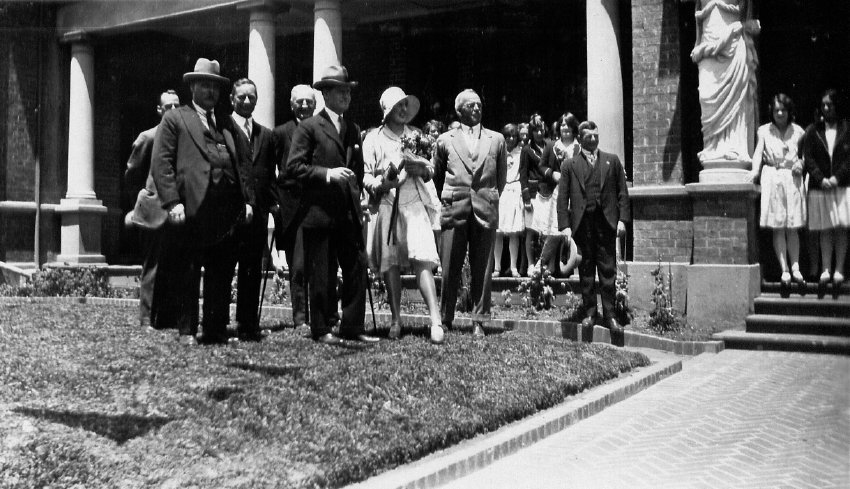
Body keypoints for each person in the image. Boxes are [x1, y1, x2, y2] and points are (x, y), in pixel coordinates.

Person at [151, 58, 249, 345]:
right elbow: (162, 163)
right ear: (193, 86)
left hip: (224, 210)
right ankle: (187, 330)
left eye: (215, 87)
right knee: (188, 270)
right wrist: (172, 202)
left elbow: (241, 163)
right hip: (191, 207)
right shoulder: (176, 118)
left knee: (221, 271)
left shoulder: (227, 123)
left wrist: (244, 202)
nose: (210, 92)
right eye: (205, 85)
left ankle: (216, 329)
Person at [283, 65, 378, 345]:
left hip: (347, 211)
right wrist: (327, 174)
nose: (346, 96)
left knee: (356, 265)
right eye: (340, 91)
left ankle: (352, 326)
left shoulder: (353, 128)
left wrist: (360, 196)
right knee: (322, 272)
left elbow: (357, 170)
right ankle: (321, 328)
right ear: (325, 94)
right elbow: (294, 168)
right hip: (319, 212)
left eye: (348, 91)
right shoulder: (309, 127)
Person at [363, 87, 444, 343]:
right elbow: (365, 175)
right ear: (387, 109)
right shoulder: (373, 139)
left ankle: (436, 321)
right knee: (392, 263)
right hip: (388, 204)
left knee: (423, 259)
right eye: (398, 105)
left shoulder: (417, 136)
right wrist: (381, 184)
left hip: (414, 203)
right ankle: (396, 319)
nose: (402, 109)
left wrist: (421, 168)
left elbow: (431, 170)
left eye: (405, 105)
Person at [432, 89, 507, 337]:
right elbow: (438, 174)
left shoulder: (496, 140)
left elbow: (501, 178)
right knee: (450, 264)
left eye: (479, 105)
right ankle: (445, 318)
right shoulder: (445, 140)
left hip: (485, 206)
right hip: (455, 206)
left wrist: (487, 196)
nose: (476, 108)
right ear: (459, 110)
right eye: (470, 105)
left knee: (483, 266)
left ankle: (479, 320)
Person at [557, 121, 630, 345]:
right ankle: (589, 313)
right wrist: (566, 227)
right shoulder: (570, 165)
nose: (593, 140)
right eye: (588, 137)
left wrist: (622, 220)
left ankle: (610, 315)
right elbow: (563, 198)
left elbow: (622, 193)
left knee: (608, 270)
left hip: (606, 223)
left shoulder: (612, 161)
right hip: (582, 225)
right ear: (580, 139)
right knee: (586, 271)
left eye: (596, 136)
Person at [124, 89, 180, 330]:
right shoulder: (148, 137)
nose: (173, 111)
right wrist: (141, 199)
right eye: (168, 107)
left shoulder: (183, 138)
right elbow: (132, 173)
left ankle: (166, 317)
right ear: (160, 110)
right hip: (152, 210)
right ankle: (146, 318)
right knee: (152, 265)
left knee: (172, 264)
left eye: (177, 106)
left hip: (175, 211)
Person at [228, 78, 276, 341]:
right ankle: (219, 323)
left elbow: (268, 174)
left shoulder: (265, 134)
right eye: (242, 97)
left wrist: (272, 204)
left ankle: (248, 323)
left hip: (258, 212)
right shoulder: (224, 128)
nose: (247, 101)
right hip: (232, 210)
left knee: (251, 268)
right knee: (225, 266)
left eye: (252, 97)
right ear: (232, 99)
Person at [746, 94, 806, 287]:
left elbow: (807, 156)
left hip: (792, 179)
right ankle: (785, 270)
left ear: (789, 111)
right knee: (778, 225)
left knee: (793, 225)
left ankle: (796, 268)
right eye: (776, 110)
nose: (780, 113)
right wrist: (754, 172)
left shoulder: (799, 132)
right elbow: (758, 153)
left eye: (783, 110)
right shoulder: (764, 131)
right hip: (773, 176)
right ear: (771, 111)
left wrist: (801, 164)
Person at [690, 0, 760, 163]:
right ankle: (712, 149)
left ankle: (734, 149)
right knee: (706, 97)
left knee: (736, 101)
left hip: (733, 43)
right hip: (707, 47)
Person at [272, 84, 317, 330]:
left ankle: (323, 315)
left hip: (318, 204)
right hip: (292, 208)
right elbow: (272, 170)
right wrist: (276, 202)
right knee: (298, 264)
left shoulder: (321, 130)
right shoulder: (280, 133)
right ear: (291, 105)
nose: (303, 105)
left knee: (319, 262)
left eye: (308, 101)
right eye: (299, 101)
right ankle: (301, 317)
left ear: (315, 105)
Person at [802, 89, 850, 290]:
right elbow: (809, 158)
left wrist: (837, 178)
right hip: (820, 188)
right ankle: (825, 270)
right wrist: (821, 179)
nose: (826, 108)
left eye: (829, 104)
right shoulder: (813, 130)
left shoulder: (847, 128)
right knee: (824, 229)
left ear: (836, 106)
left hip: (840, 186)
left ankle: (839, 269)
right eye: (823, 105)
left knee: (840, 228)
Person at [537, 113, 581, 275]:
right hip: (556, 192)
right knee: (555, 229)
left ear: (573, 128)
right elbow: (541, 166)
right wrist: (552, 174)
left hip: (575, 193)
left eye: (568, 125)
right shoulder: (551, 146)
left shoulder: (579, 147)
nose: (565, 128)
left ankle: (574, 266)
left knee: (574, 227)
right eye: (562, 125)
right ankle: (549, 266)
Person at [493, 123, 528, 277]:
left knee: (514, 232)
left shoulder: (522, 152)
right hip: (501, 192)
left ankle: (513, 267)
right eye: (508, 136)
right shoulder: (497, 152)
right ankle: (497, 267)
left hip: (515, 191)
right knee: (498, 232)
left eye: (514, 135)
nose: (511, 139)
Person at [522, 114, 552, 275]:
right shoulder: (527, 150)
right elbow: (523, 174)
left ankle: (544, 263)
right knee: (531, 230)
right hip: (533, 194)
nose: (539, 133)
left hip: (548, 192)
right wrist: (526, 198)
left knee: (547, 230)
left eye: (541, 130)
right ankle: (530, 264)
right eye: (535, 131)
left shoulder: (551, 146)